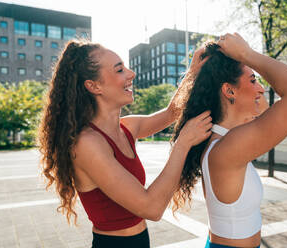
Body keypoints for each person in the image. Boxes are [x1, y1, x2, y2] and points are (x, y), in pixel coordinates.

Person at [38, 40, 212, 248]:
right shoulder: (87, 144)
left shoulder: (127, 127)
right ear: (94, 86)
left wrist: (193, 70)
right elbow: (151, 208)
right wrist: (184, 143)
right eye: (120, 70)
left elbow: (172, 112)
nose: (131, 74)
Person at [171, 33, 287, 248]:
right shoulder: (227, 147)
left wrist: (240, 61)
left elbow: (270, 105)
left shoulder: (226, 139)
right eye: (252, 79)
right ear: (229, 90)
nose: (261, 87)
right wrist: (246, 54)